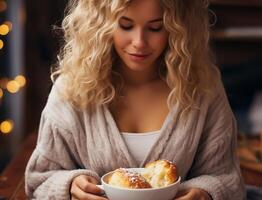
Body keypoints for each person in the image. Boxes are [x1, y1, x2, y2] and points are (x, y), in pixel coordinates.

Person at [25, 0, 245, 199]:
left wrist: (205, 193)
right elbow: (40, 179)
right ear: (101, 24)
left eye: (155, 27)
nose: (139, 42)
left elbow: (226, 179)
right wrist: (70, 186)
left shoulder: (203, 88)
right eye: (126, 25)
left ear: (178, 27)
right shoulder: (72, 88)